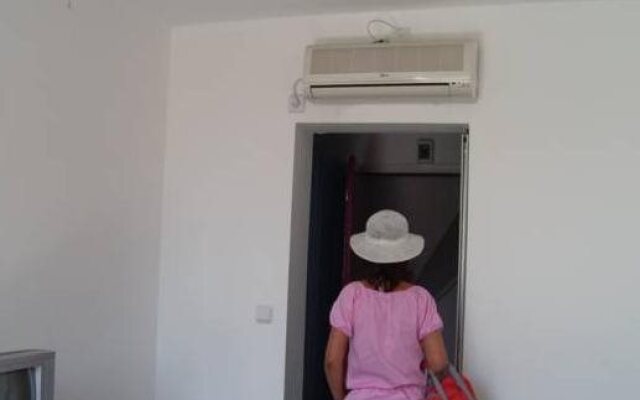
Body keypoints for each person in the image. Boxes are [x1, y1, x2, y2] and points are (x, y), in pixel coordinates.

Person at [324, 210, 449, 400]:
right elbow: (438, 363)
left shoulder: (351, 295)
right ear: (405, 256)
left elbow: (332, 361)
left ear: (366, 255)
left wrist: (340, 397)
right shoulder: (420, 299)